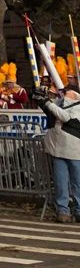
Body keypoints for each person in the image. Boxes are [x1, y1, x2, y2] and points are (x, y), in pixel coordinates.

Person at [39, 85, 80, 221]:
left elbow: (65, 117)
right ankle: (63, 211)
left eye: (65, 93)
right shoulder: (58, 104)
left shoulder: (77, 107)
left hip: (75, 151)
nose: (62, 95)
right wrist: (41, 100)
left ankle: (78, 210)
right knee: (60, 182)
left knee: (77, 182)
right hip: (58, 149)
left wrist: (47, 103)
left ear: (74, 95)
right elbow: (51, 111)